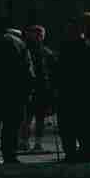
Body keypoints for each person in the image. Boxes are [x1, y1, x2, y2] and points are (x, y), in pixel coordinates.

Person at [0, 24, 34, 165]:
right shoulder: (20, 44)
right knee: (11, 125)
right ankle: (10, 154)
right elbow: (27, 69)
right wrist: (28, 90)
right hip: (14, 91)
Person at [55, 12, 90, 163]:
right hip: (82, 93)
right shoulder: (89, 46)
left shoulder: (66, 47)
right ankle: (83, 153)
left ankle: (74, 154)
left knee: (71, 128)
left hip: (70, 93)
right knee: (81, 127)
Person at [19, 25, 55, 153]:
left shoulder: (46, 52)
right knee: (27, 118)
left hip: (41, 89)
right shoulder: (27, 50)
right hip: (32, 88)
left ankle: (36, 143)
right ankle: (25, 142)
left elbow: (52, 72)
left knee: (38, 118)